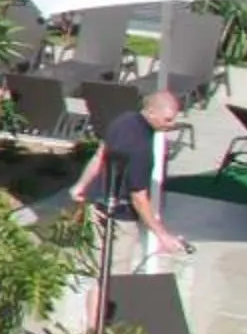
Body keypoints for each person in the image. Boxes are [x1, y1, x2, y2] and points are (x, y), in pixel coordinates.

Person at [77, 86, 188, 318]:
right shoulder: (141, 149)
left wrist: (81, 186)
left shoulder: (122, 121)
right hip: (120, 217)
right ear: (151, 112)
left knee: (99, 273)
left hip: (97, 205)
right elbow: (139, 198)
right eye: (168, 119)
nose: (171, 124)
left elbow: (100, 155)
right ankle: (101, 330)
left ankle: (92, 329)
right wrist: (162, 235)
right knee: (114, 279)